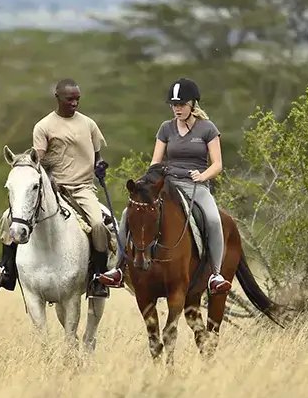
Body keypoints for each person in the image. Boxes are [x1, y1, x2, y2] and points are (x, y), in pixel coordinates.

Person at [97, 77, 233, 294]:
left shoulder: (207, 128)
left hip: (195, 185)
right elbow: (155, 162)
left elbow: (217, 164)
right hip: (167, 183)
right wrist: (148, 182)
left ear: (192, 105)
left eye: (181, 105)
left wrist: (203, 176)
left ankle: (215, 275)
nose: (177, 109)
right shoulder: (166, 128)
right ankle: (119, 269)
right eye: (174, 105)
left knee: (213, 219)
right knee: (127, 213)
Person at [0, 78, 114, 297]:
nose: (74, 103)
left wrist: (100, 166)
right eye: (69, 99)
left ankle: (98, 277)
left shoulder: (89, 124)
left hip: (82, 187)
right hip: (54, 187)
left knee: (99, 224)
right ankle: (7, 271)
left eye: (77, 99)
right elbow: (37, 161)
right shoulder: (44, 126)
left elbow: (98, 155)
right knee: (9, 218)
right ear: (57, 98)